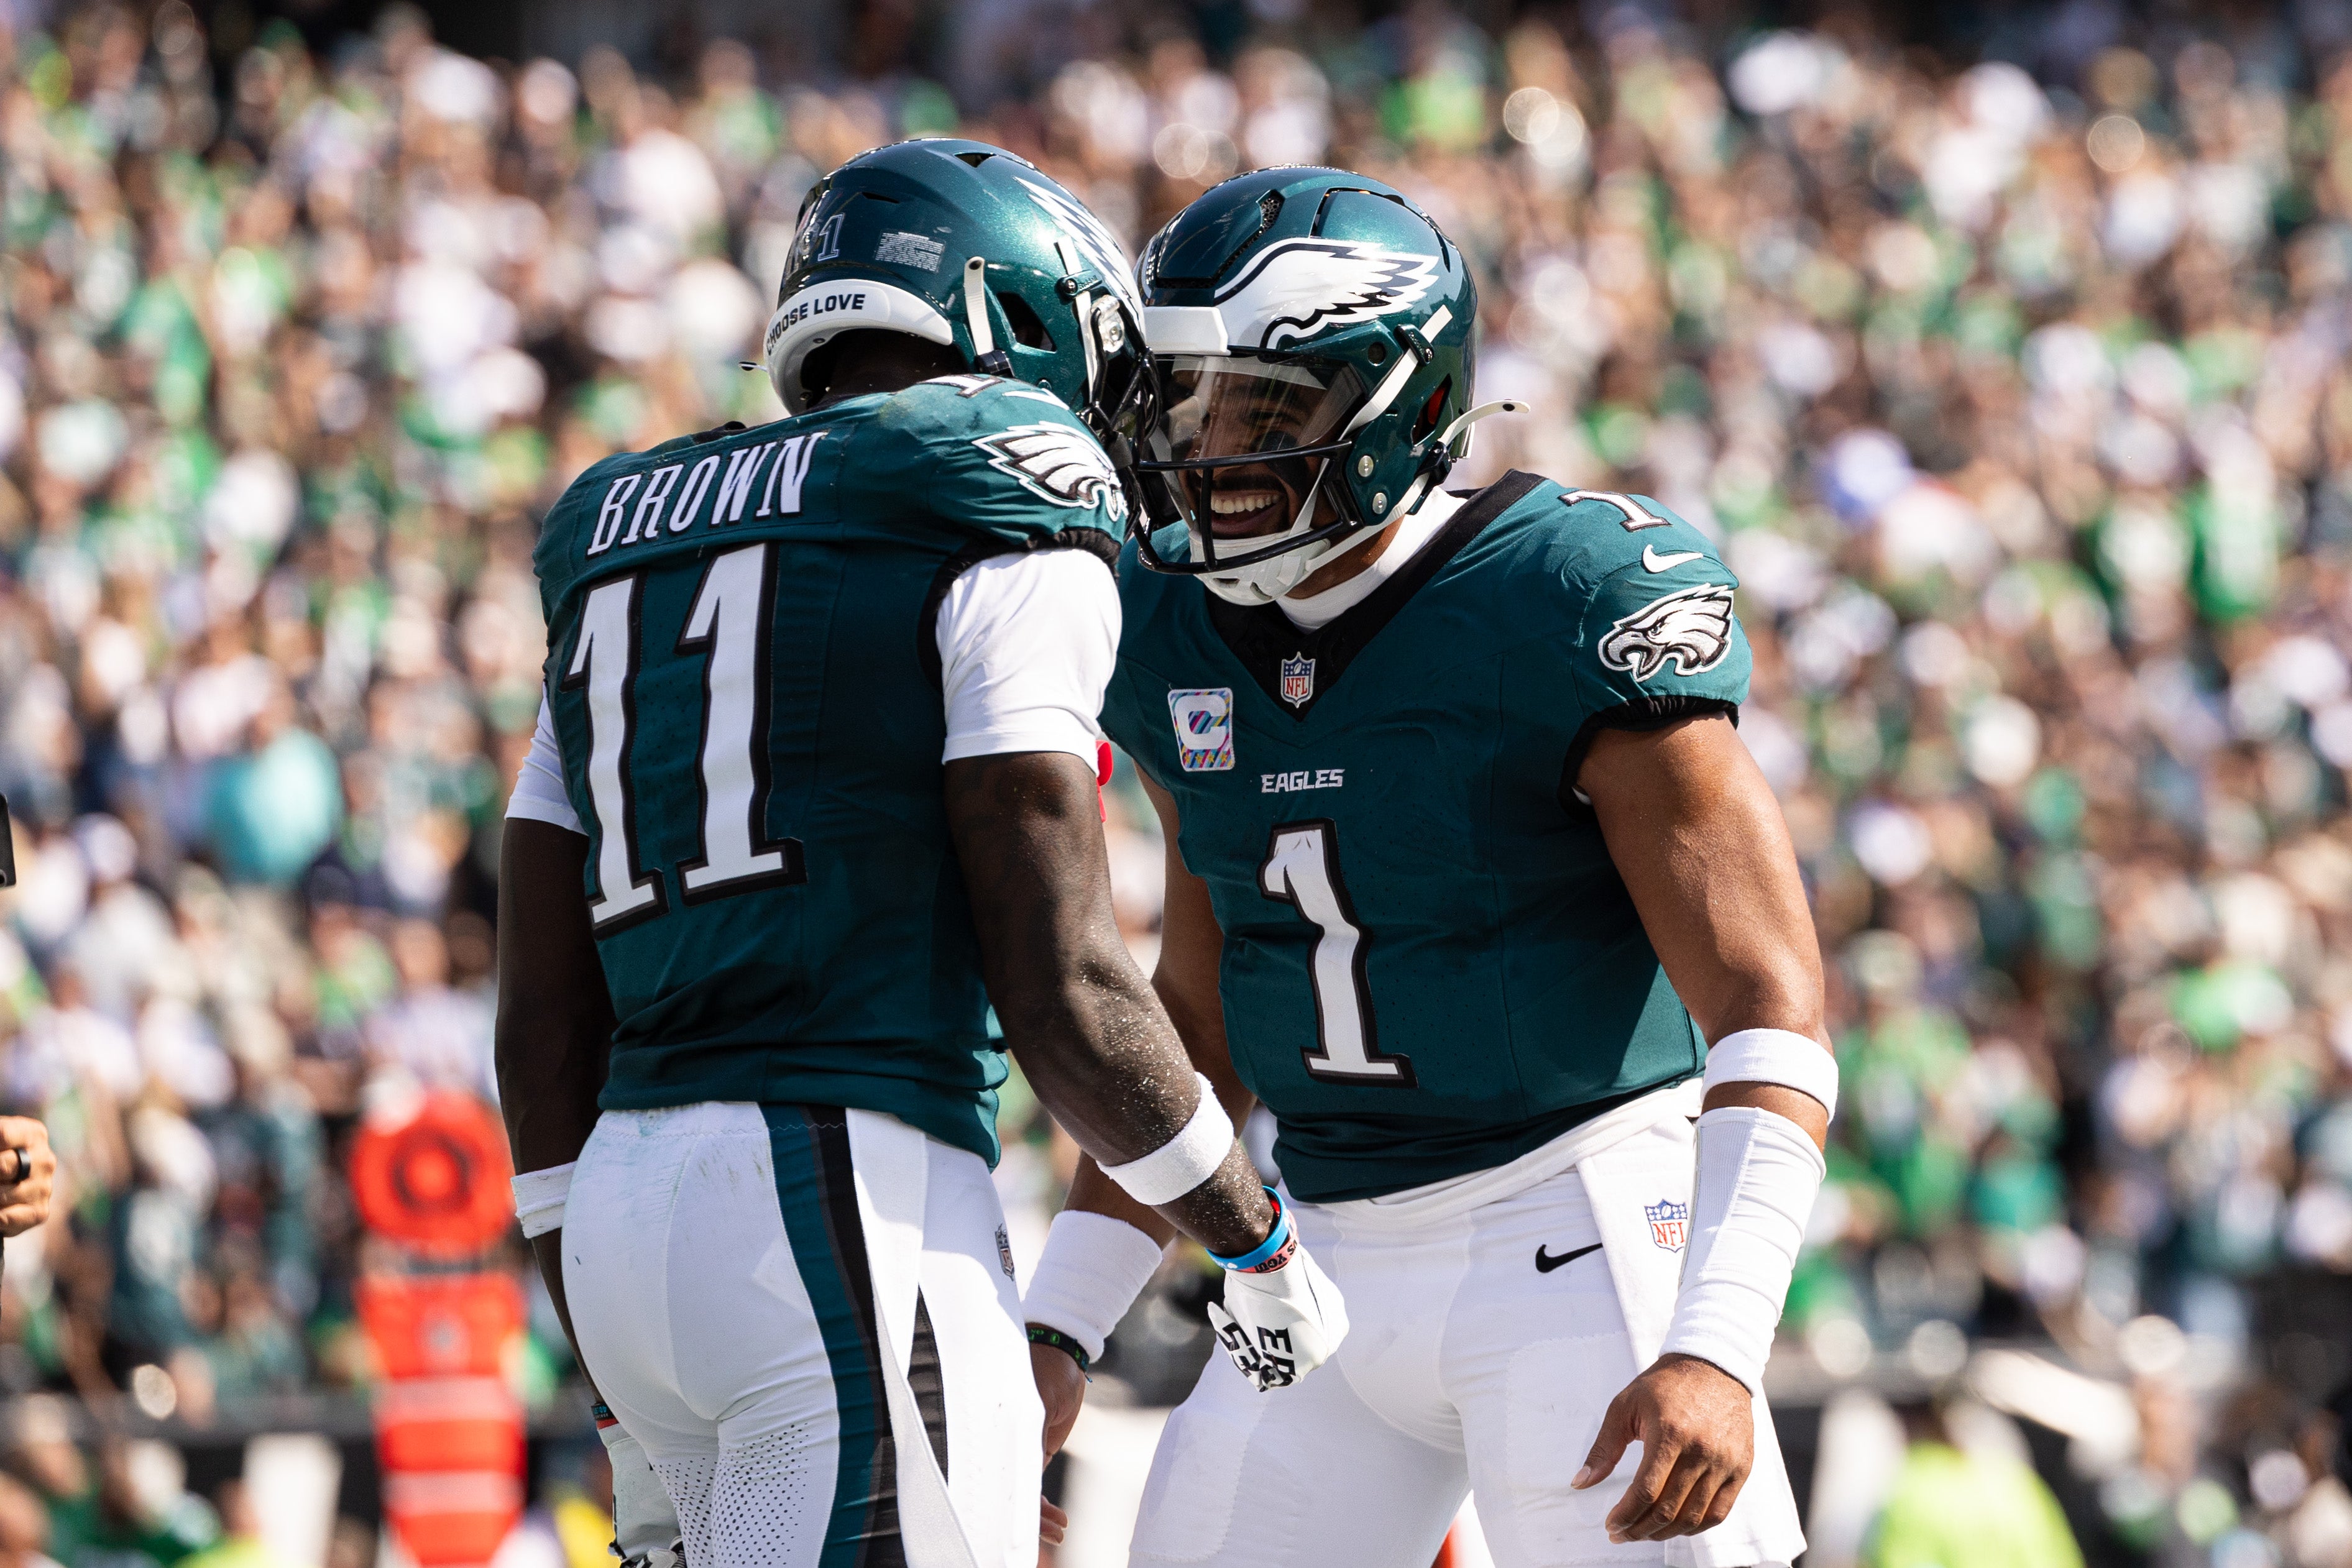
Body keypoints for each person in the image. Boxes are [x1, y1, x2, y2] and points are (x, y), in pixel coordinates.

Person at [493, 141, 1346, 1568]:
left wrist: (604, 1341)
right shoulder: (995, 480)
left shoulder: (616, 536)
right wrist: (1247, 1233)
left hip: (625, 1222)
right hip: (843, 1194)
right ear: (1017, 313)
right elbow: (1061, 978)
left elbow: (538, 1021)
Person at [1019, 165, 1833, 1568]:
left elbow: (1770, 1001)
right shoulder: (1162, 631)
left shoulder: (1556, 595)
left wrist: (1714, 1338)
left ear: (1392, 407)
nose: (1206, 447)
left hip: (1578, 1224)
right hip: (1314, 1249)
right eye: (1188, 401)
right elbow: (1199, 1021)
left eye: (1263, 409)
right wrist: (1056, 1327)